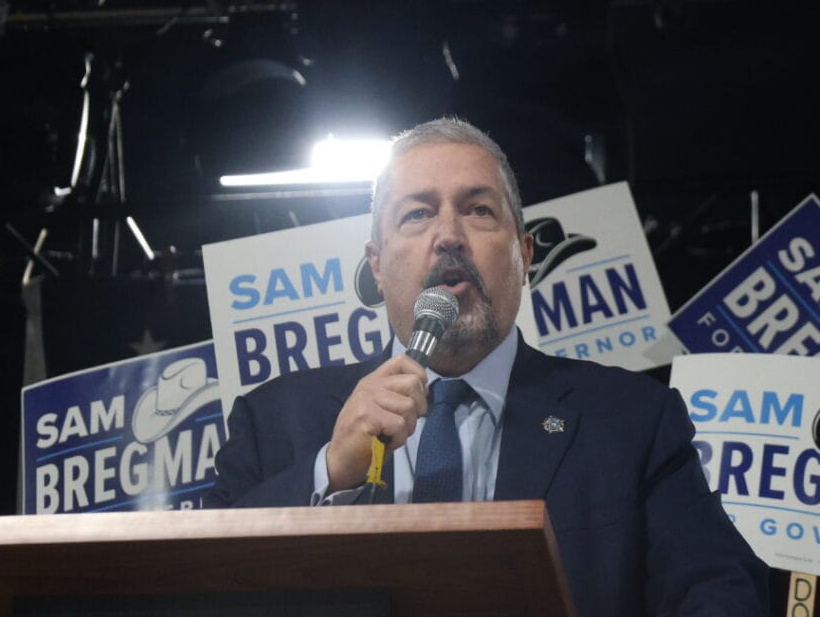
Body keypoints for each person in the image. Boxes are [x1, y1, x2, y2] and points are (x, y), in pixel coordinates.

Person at [206, 117, 770, 615]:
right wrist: (328, 472)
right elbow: (199, 584)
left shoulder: (632, 420)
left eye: (478, 210)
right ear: (376, 266)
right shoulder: (274, 420)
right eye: (417, 214)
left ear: (523, 255)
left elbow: (720, 590)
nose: (449, 235)